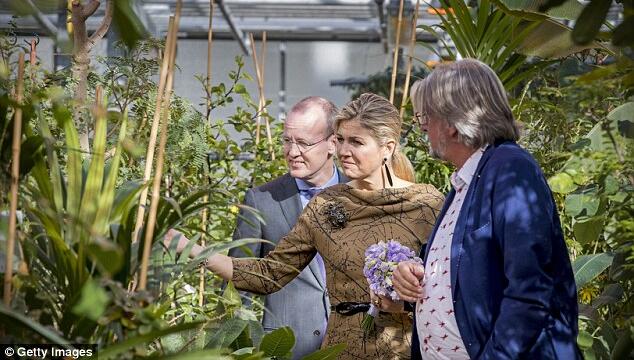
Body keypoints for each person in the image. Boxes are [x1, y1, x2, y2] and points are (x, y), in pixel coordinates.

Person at [166, 93, 444, 359]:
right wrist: (190, 249)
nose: (344, 151)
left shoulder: (426, 203)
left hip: (407, 348)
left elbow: (451, 285)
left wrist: (406, 300)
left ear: (388, 148)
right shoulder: (325, 205)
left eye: (357, 142)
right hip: (341, 350)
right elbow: (270, 274)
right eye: (341, 140)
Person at [391, 59, 580, 359]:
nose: (423, 127)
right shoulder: (468, 178)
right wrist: (416, 272)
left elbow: (530, 289)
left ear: (452, 124)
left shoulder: (510, 169)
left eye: (426, 116)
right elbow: (468, 269)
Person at [229, 96, 345, 359]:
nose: (292, 152)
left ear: (333, 143)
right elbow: (239, 289)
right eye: (287, 141)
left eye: (303, 143)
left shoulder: (360, 192)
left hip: (353, 344)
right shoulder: (261, 200)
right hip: (284, 349)